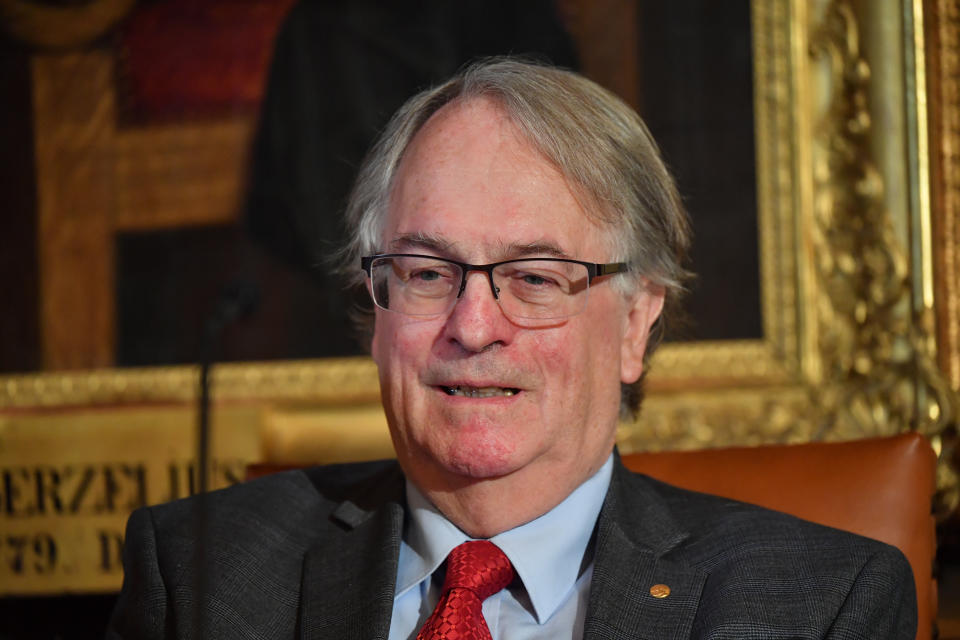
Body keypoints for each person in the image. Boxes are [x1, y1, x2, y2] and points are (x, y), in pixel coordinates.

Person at [107, 58, 917, 639]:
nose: (473, 324)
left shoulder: (816, 607)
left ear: (635, 324)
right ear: (375, 308)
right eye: (427, 272)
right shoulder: (200, 580)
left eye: (533, 277)